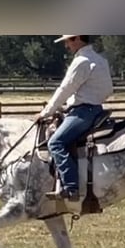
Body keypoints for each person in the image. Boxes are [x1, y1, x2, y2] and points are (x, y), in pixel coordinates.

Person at [36, 35, 114, 202]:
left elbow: (65, 89)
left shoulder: (81, 61)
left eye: (68, 41)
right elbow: (108, 89)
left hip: (83, 112)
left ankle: (71, 187)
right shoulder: (100, 60)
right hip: (95, 108)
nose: (66, 45)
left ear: (78, 39)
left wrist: (46, 112)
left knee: (55, 143)